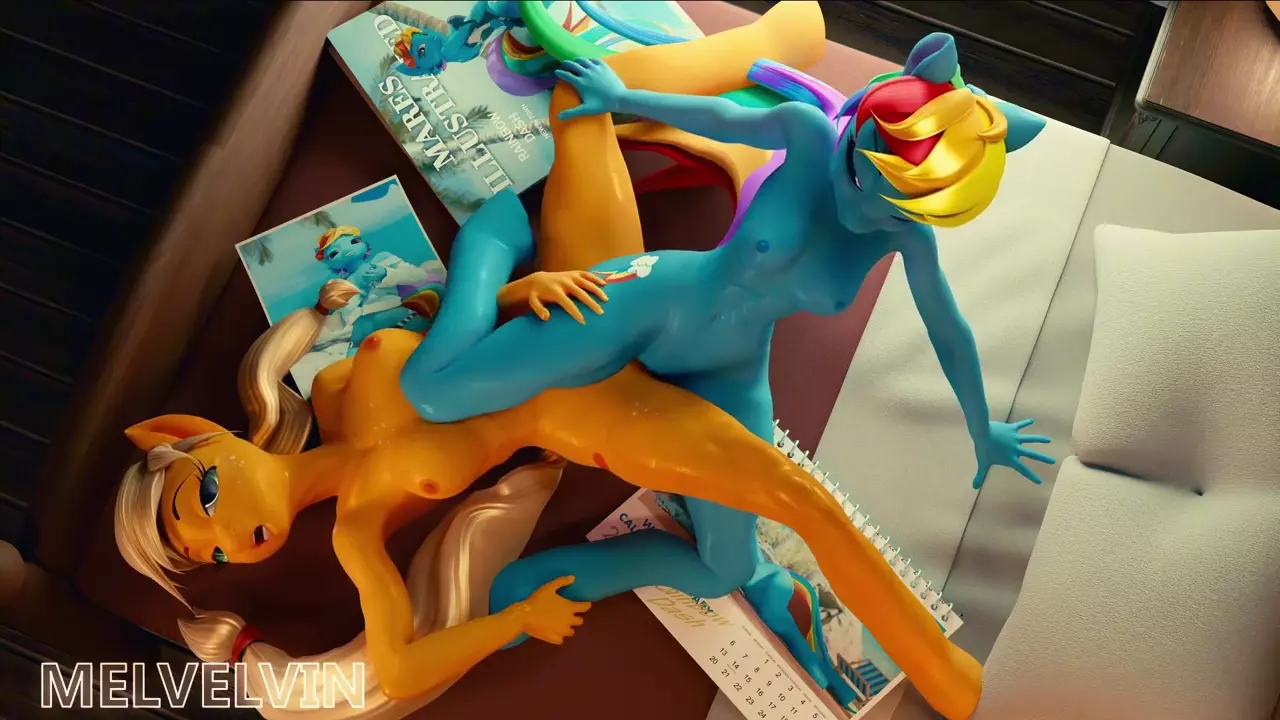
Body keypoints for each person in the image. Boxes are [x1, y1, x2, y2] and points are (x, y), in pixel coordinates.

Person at [397, 11, 1051, 719]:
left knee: (726, 567)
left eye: (896, 204)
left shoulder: (908, 239)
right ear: (859, 129)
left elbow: (949, 329)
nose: (865, 206)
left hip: (730, 372)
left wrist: (983, 429)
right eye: (862, 172)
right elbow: (719, 118)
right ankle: (490, 242)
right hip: (650, 302)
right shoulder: (808, 134)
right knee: (431, 390)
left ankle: (555, 576)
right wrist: (621, 98)